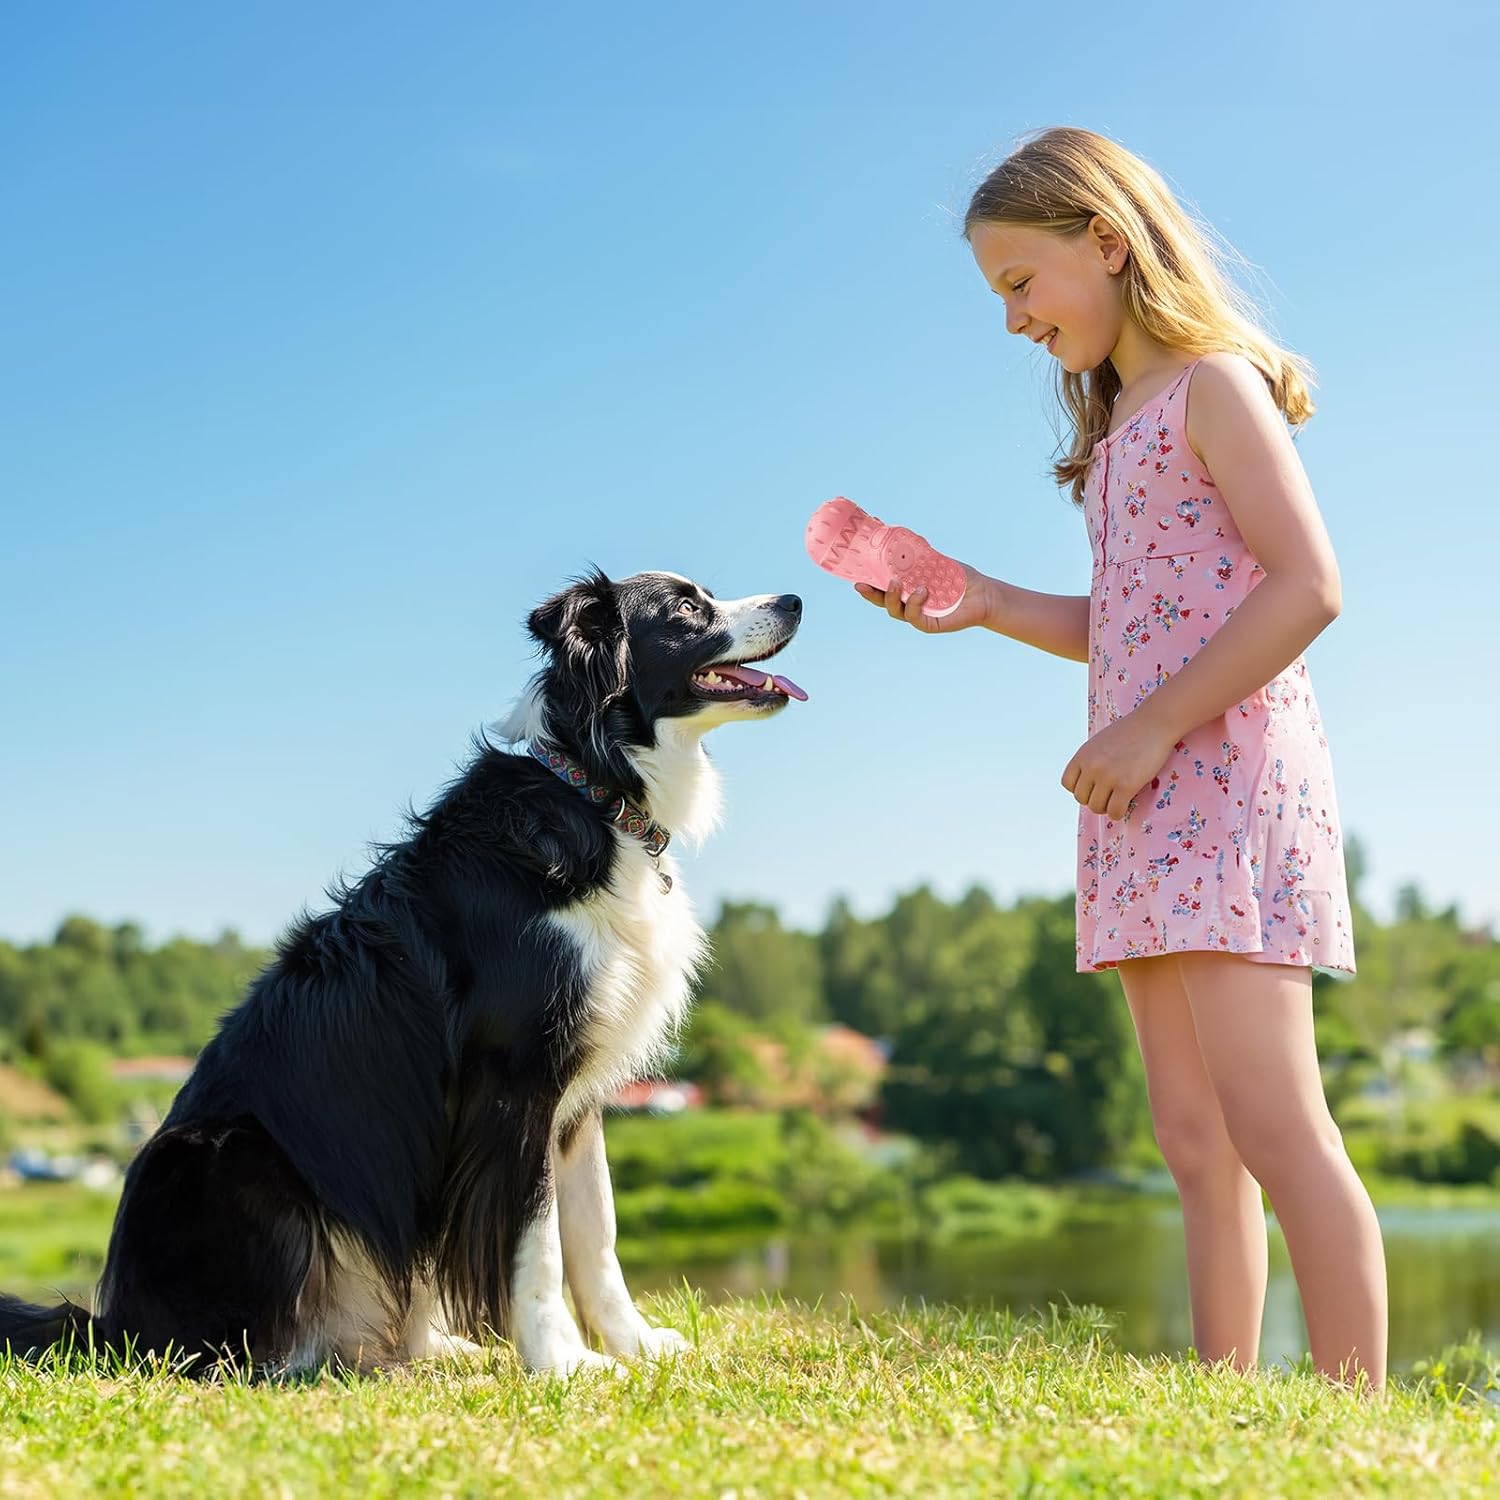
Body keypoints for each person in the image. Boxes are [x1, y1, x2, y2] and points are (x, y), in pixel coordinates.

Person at [857, 127, 1386, 1387]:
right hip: (1145, 792)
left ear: (1106, 239)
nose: (1012, 320)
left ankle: (1359, 1412)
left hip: (1221, 778)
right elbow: (1139, 623)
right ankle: (1223, 1399)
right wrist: (982, 597)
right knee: (1194, 1139)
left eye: (1019, 284)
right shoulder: (1116, 431)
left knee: (1275, 1124)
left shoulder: (1214, 385)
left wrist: (1150, 726)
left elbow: (1310, 587)